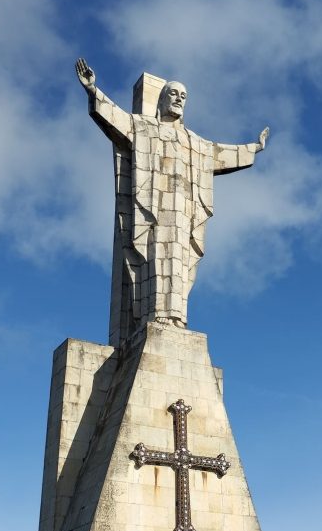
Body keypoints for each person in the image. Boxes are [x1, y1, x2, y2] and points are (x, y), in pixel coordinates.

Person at [75, 60, 270, 345]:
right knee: (153, 262)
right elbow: (116, 118)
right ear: (162, 99)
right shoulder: (143, 128)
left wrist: (253, 148)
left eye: (184, 96)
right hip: (153, 213)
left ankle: (177, 317)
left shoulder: (196, 143)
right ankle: (155, 316)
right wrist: (93, 91)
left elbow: (222, 153)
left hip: (183, 218)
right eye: (174, 93)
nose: (179, 99)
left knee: (180, 266)